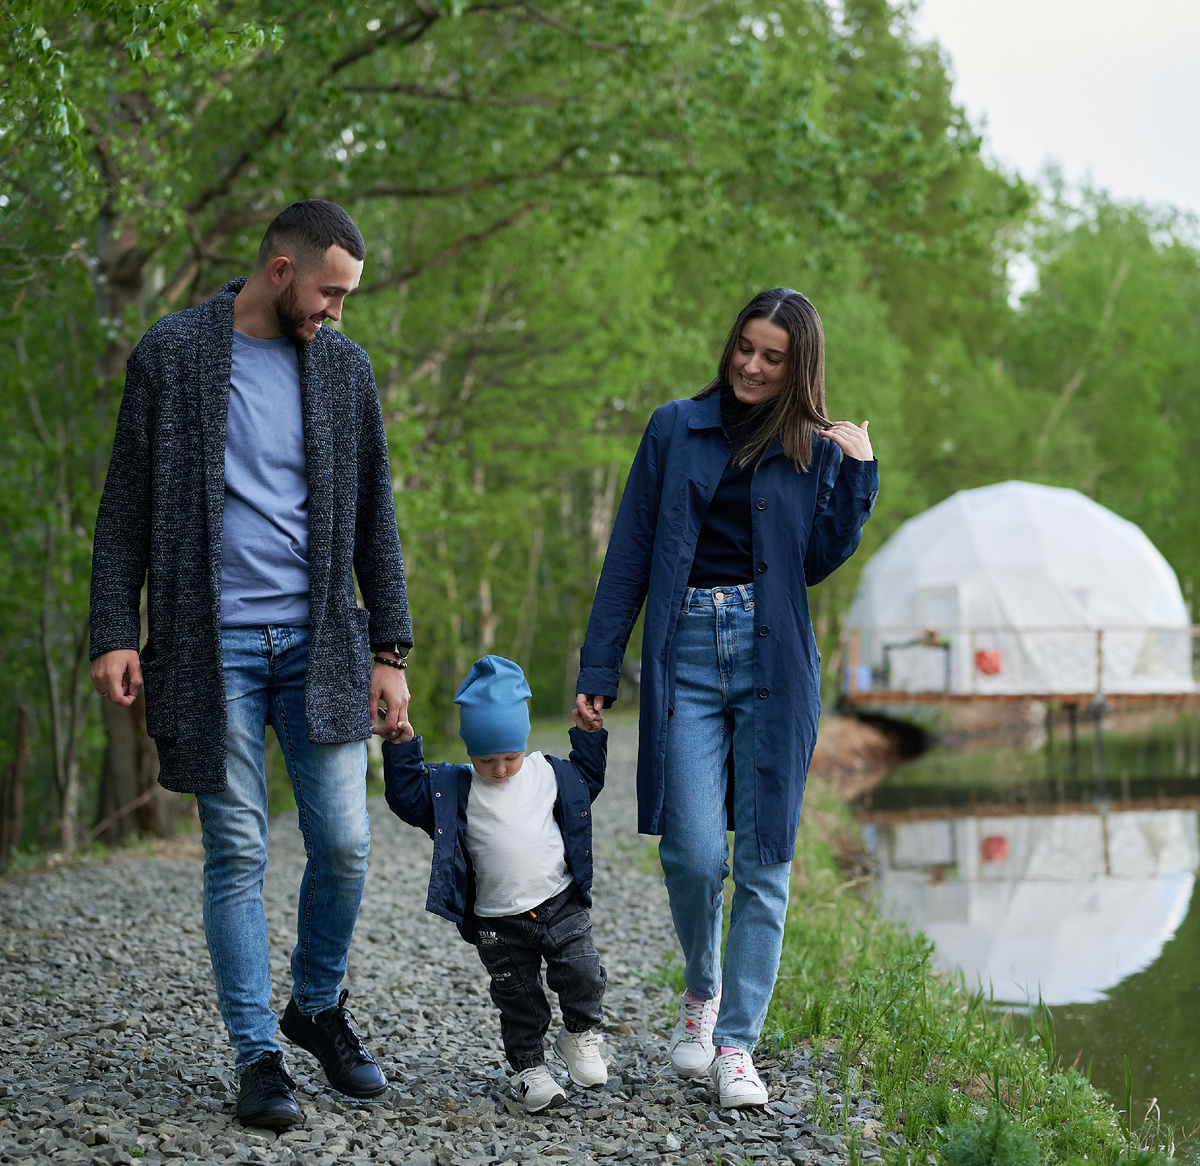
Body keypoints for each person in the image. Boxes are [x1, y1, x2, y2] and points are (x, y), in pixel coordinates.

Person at [89, 200, 412, 1128]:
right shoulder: (174, 354)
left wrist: (390, 649)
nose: (338, 311)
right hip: (209, 646)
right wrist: (116, 625)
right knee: (236, 850)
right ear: (281, 271)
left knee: (345, 843)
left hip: (323, 644)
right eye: (330, 292)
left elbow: (374, 519)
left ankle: (314, 1007)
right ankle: (257, 1054)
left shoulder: (347, 371)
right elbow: (124, 507)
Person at [574, 287, 878, 1108]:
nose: (751, 365)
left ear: (798, 366)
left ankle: (738, 1045)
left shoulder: (813, 449)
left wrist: (857, 474)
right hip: (687, 659)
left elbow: (815, 560)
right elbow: (631, 549)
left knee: (767, 857)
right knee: (694, 853)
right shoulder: (676, 427)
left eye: (772, 357)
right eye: (745, 347)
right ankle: (701, 995)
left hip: (775, 662)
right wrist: (599, 665)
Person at [380, 655, 609, 1114]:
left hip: (559, 902)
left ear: (524, 744)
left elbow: (588, 782)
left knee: (583, 972)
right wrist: (403, 748)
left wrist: (588, 735)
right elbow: (407, 801)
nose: (501, 769)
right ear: (470, 751)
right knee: (518, 998)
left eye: (510, 757)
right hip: (497, 922)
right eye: (487, 759)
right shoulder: (456, 788)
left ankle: (579, 1033)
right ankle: (530, 1070)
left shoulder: (548, 772)